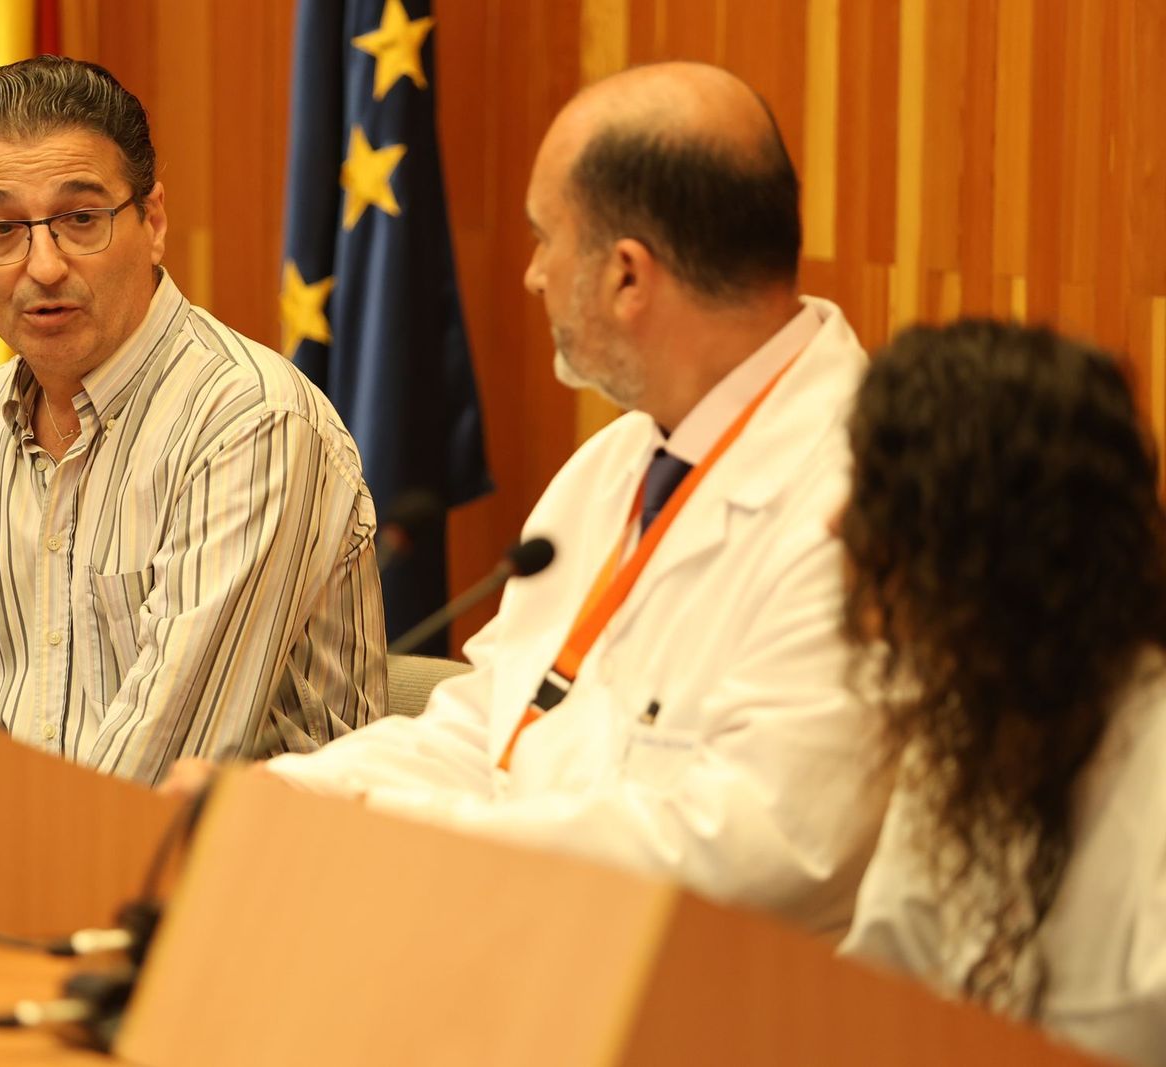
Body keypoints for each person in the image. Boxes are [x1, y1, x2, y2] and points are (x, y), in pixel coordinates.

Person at [167, 62, 887, 935]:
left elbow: (759, 846)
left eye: (547, 238)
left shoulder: (863, 506)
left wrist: (392, 836)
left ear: (628, 276)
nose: (534, 275)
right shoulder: (617, 461)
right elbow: (493, 724)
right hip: (531, 943)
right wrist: (284, 794)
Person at [0, 57, 386, 784]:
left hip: (236, 881)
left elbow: (153, 765)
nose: (43, 265)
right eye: (1, 228)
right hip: (32, 858)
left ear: (152, 221)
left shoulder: (250, 423)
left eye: (80, 219)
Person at [836, 321, 1166, 1065]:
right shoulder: (968, 726)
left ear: (981, 538)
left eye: (877, 496)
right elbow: (878, 986)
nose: (839, 523)